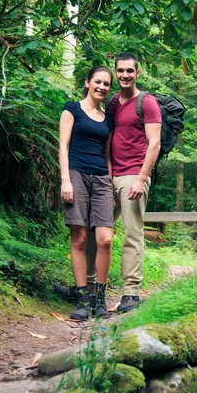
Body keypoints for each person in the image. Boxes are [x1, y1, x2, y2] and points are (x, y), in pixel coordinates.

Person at [86, 53, 162, 313]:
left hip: (134, 176)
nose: (125, 75)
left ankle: (131, 293)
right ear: (116, 73)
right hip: (111, 176)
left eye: (130, 71)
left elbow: (155, 143)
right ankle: (89, 289)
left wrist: (142, 178)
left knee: (132, 233)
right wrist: (106, 175)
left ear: (137, 73)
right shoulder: (113, 105)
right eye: (120, 71)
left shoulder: (147, 102)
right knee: (97, 232)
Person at [59, 66, 114, 320]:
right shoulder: (72, 109)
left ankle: (99, 299)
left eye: (106, 84)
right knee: (79, 240)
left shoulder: (107, 119)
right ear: (87, 82)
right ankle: (82, 300)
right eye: (98, 82)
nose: (102, 87)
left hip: (102, 179)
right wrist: (65, 180)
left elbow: (107, 155)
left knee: (105, 240)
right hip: (77, 175)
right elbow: (63, 146)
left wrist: (110, 183)